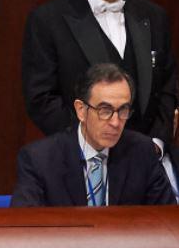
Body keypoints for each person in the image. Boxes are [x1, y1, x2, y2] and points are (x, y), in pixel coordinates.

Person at [22, 0, 177, 149]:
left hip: (149, 162)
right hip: (84, 163)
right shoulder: (47, 21)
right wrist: (91, 144)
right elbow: (41, 100)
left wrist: (155, 143)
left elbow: (168, 86)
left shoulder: (154, 17)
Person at [12, 63, 175, 207]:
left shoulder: (142, 152)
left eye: (123, 110)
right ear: (81, 110)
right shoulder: (39, 160)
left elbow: (167, 222)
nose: (116, 122)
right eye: (105, 110)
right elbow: (25, 228)